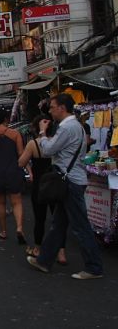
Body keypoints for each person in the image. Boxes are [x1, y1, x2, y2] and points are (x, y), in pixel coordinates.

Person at [26, 94, 103, 279]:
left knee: (80, 226)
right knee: (59, 224)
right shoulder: (75, 126)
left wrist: (43, 133)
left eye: (52, 107)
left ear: (62, 107)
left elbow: (48, 149)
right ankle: (44, 260)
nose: (50, 111)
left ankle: (94, 267)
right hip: (72, 179)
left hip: (70, 182)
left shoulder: (67, 127)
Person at [18, 115, 67, 264]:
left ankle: (37, 248)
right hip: (57, 184)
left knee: (40, 218)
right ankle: (61, 252)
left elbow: (21, 162)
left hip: (40, 185)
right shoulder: (58, 142)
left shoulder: (33, 144)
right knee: (58, 220)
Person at [0, 108, 27, 244]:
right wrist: (28, 169)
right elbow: (21, 154)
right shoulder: (15, 133)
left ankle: (3, 231)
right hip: (13, 170)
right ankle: (19, 227)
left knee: (1, 202)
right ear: (5, 119)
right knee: (17, 201)